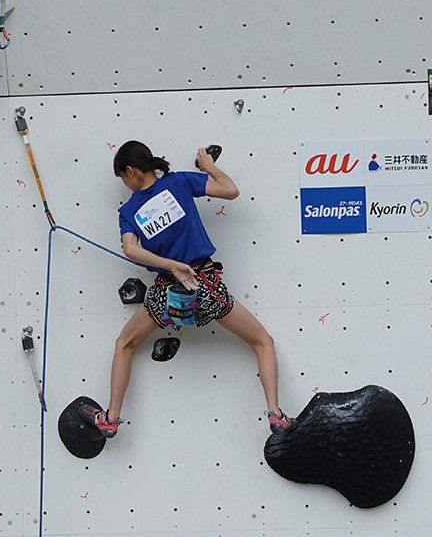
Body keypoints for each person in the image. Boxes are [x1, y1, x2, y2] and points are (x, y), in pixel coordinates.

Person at [79, 140, 295, 438]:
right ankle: (275, 413)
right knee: (263, 342)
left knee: (124, 344)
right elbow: (230, 190)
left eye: (123, 179)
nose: (126, 185)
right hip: (205, 285)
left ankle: (112, 418)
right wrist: (209, 166)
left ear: (130, 171)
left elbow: (130, 249)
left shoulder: (129, 210)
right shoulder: (179, 182)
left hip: (166, 294)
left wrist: (170, 266)